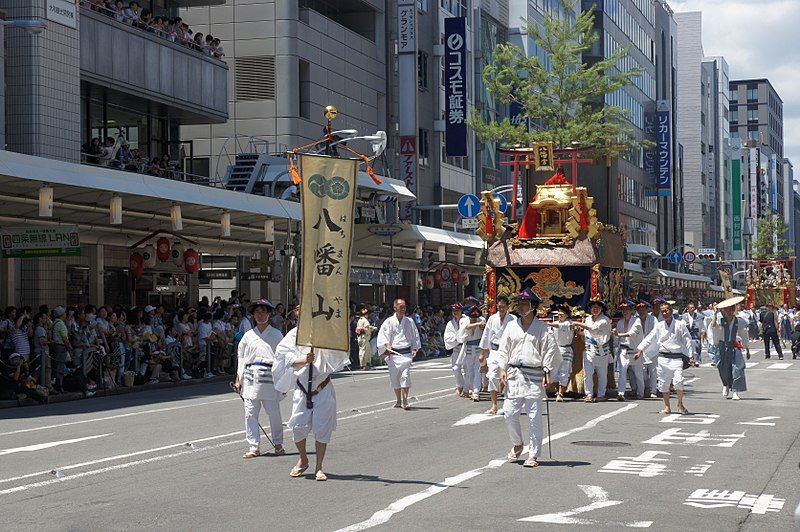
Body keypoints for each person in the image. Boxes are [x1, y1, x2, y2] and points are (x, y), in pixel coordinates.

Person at [273, 309, 348, 482]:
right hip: (302, 388)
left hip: (322, 387)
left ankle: (319, 467)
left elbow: (339, 353)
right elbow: (286, 359)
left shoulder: (326, 334)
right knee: (298, 427)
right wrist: (304, 360)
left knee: (322, 429)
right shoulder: (293, 335)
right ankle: (303, 458)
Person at [496, 289, 560, 468]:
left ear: (533, 307)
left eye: (525, 303)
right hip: (514, 374)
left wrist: (548, 373)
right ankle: (517, 443)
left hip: (534, 375)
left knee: (534, 416)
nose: (522, 307)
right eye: (520, 303)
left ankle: (533, 454)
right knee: (509, 412)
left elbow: (550, 352)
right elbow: (503, 349)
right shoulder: (511, 326)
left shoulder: (543, 328)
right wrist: (502, 368)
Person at [234, 299, 285, 458]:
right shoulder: (248, 335)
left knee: (273, 412)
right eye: (256, 312)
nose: (259, 314)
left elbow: (283, 357)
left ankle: (278, 443)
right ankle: (253, 446)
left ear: (269, 314)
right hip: (250, 377)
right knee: (250, 413)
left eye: (263, 311)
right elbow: (241, 357)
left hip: (269, 377)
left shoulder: (276, 335)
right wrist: (238, 378)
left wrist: (283, 379)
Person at [636, 302, 693, 415]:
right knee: (664, 383)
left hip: (676, 358)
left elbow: (687, 340)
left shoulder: (680, 324)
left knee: (678, 381)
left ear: (671, 311)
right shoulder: (659, 325)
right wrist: (640, 350)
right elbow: (650, 338)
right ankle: (667, 406)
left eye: (666, 310)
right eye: (662, 311)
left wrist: (691, 355)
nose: (665, 313)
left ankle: (680, 403)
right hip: (663, 358)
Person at [376, 298, 421, 410]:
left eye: (404, 307)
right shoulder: (389, 321)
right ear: (395, 308)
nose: (403, 309)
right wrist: (386, 344)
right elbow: (382, 335)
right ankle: (398, 400)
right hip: (394, 353)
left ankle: (405, 401)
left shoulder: (409, 321)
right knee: (395, 378)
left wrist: (414, 348)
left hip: (405, 353)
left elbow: (415, 335)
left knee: (405, 376)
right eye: (400, 307)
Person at [707, 297, 751, 400]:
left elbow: (744, 335)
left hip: (734, 346)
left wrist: (747, 349)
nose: (728, 312)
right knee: (723, 368)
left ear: (734, 310)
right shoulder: (719, 320)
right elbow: (713, 326)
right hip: (722, 346)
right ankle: (726, 384)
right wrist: (715, 313)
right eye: (726, 310)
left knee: (738, 368)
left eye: (731, 309)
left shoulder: (739, 321)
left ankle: (735, 390)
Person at [479, 295, 515, 413]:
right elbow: (486, 337)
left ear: (507, 307)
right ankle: (494, 405)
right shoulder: (492, 318)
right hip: (494, 350)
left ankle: (507, 403)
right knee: (492, 376)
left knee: (508, 378)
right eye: (499, 307)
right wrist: (483, 355)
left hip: (508, 351)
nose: (501, 309)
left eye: (503, 307)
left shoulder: (513, 319)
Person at [573, 299, 612, 403]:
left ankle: (601, 394)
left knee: (602, 374)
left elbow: (593, 328)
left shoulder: (605, 320)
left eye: (598, 308)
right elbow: (586, 334)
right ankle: (589, 394)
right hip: (589, 350)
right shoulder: (588, 319)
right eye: (593, 307)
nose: (595, 309)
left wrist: (576, 322)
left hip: (602, 351)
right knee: (588, 374)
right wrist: (578, 331)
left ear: (601, 309)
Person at [613, 301, 644, 400]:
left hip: (635, 351)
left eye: (627, 310)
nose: (625, 312)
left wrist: (618, 334)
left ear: (631, 311)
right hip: (623, 350)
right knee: (622, 371)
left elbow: (632, 333)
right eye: (623, 310)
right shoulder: (620, 322)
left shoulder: (637, 320)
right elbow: (616, 338)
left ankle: (640, 392)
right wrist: (614, 335)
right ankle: (621, 393)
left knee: (638, 373)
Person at [547, 303, 575, 402]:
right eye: (559, 312)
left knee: (564, 373)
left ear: (567, 314)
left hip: (566, 350)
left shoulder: (569, 323)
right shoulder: (555, 322)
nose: (560, 314)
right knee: (554, 373)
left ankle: (561, 393)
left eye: (562, 312)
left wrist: (548, 323)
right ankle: (557, 391)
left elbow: (560, 326)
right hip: (556, 350)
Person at [458, 306, 485, 402]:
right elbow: (467, 327)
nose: (473, 319)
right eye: (472, 317)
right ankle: (467, 388)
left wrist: (482, 325)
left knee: (478, 370)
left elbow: (484, 331)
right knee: (469, 371)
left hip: (478, 347)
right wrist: (478, 324)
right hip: (468, 348)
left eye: (475, 317)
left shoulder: (482, 319)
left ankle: (476, 392)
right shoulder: (465, 320)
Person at [444, 303, 468, 397]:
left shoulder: (466, 320)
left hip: (465, 346)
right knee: (455, 368)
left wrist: (461, 338)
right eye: (454, 311)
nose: (455, 313)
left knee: (467, 369)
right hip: (456, 347)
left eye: (457, 310)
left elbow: (467, 333)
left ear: (461, 310)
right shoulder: (450, 323)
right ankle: (460, 385)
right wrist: (457, 338)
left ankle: (466, 387)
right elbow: (447, 336)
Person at [636, 301, 658, 398]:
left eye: (643, 309)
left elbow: (655, 332)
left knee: (653, 370)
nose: (641, 311)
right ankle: (646, 387)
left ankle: (653, 391)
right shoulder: (635, 320)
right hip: (639, 348)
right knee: (642, 370)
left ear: (647, 310)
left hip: (652, 348)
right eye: (639, 310)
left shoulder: (653, 319)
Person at [51, 306, 73, 393]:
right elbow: (64, 338)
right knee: (60, 368)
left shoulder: (54, 323)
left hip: (56, 347)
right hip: (61, 347)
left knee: (58, 366)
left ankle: (58, 385)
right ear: (62, 314)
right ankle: (59, 386)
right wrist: (70, 347)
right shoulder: (61, 324)